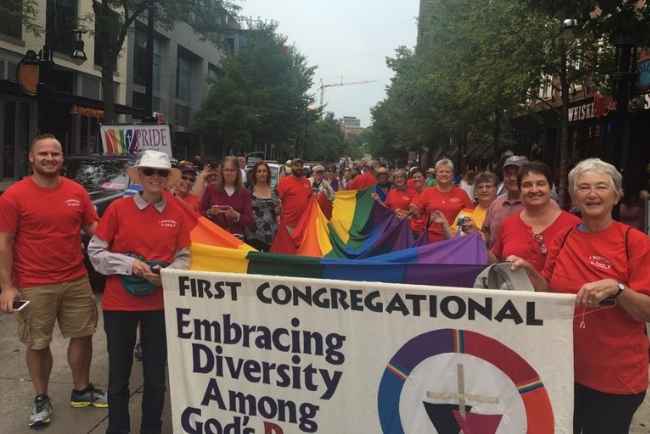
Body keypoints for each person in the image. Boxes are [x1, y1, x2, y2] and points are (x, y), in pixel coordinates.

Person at [509, 158, 650, 434]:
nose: (592, 194)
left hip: (615, 378)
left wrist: (618, 289)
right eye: (583, 187)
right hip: (564, 369)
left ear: (617, 194)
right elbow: (547, 292)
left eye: (601, 187)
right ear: (573, 196)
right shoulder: (563, 237)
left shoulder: (634, 241)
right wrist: (528, 271)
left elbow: (646, 311)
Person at [0, 134, 106, 428]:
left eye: (55, 154)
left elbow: (93, 226)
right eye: (43, 153)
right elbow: (4, 243)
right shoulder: (14, 195)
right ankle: (41, 397)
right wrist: (8, 286)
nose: (50, 158)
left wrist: (125, 238)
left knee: (83, 334)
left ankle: (81, 389)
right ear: (31, 158)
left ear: (62, 158)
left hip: (76, 278)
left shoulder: (76, 191)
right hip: (32, 283)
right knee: (37, 342)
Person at [88, 150, 190, 434]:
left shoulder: (177, 212)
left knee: (156, 377)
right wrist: (128, 264)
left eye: (161, 173)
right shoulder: (118, 209)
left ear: (168, 178)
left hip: (159, 304)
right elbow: (95, 252)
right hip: (119, 304)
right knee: (118, 376)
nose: (155, 178)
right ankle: (117, 429)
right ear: (140, 176)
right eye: (149, 172)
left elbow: (184, 256)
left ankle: (151, 428)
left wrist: (166, 275)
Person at [490, 162, 579, 272]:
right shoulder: (508, 224)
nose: (534, 190)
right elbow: (496, 263)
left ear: (550, 187)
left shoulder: (573, 225)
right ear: (520, 189)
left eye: (540, 184)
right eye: (527, 185)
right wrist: (477, 243)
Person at [412, 158, 474, 243]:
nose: (444, 174)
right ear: (436, 174)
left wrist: (456, 227)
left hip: (454, 241)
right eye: (441, 172)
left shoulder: (461, 193)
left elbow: (469, 215)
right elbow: (418, 215)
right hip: (430, 241)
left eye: (447, 172)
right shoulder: (427, 193)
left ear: (452, 175)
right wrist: (415, 213)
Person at [200, 156, 254, 238]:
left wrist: (236, 215)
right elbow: (200, 212)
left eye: (232, 170)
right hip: (214, 237)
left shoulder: (245, 193)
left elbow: (249, 220)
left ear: (237, 172)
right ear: (222, 172)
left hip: (236, 239)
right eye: (226, 170)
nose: (229, 173)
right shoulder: (211, 189)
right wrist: (210, 212)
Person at [482, 155, 528, 248]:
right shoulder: (496, 204)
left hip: (524, 261)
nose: (512, 178)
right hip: (496, 261)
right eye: (508, 174)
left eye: (517, 174)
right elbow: (486, 233)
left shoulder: (535, 204)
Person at [450, 171, 499, 236]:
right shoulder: (465, 213)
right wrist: (444, 223)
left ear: (496, 189)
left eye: (488, 187)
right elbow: (453, 237)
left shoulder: (501, 212)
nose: (484, 190)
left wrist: (476, 232)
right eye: (480, 187)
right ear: (476, 191)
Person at [246, 161, 281, 251]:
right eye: (259, 171)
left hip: (271, 236)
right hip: (253, 236)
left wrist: (279, 209)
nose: (262, 173)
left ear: (268, 174)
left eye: (264, 171)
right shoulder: (248, 191)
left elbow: (277, 213)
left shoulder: (274, 192)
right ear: (255, 174)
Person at [277, 158, 312, 234]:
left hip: (304, 224)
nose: (299, 168)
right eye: (296, 165)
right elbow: (277, 201)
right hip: (288, 225)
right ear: (291, 167)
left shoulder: (307, 182)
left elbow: (310, 201)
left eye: (301, 165)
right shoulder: (284, 182)